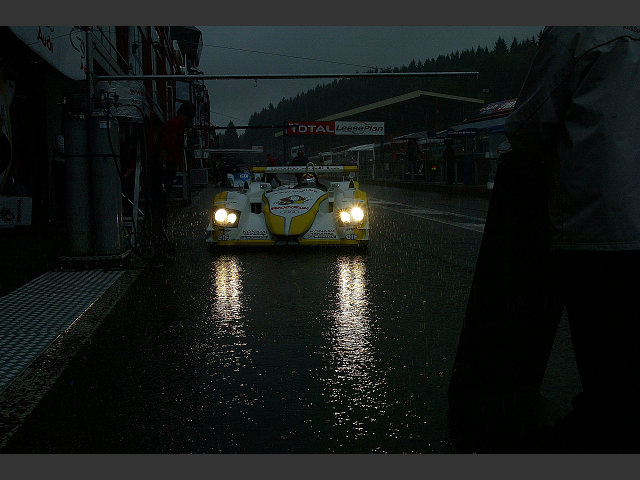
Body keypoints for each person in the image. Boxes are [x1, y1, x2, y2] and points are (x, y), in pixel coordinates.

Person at [491, 26, 640, 452]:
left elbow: (531, 119)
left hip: (604, 221)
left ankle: (602, 432)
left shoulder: (580, 27)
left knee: (607, 348)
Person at [148, 101, 196, 256]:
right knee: (161, 206)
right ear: (187, 117)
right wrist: (162, 169)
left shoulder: (178, 126)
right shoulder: (175, 125)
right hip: (162, 170)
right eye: (192, 119)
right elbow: (165, 147)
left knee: (162, 206)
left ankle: (159, 239)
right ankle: (158, 241)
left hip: (166, 169)